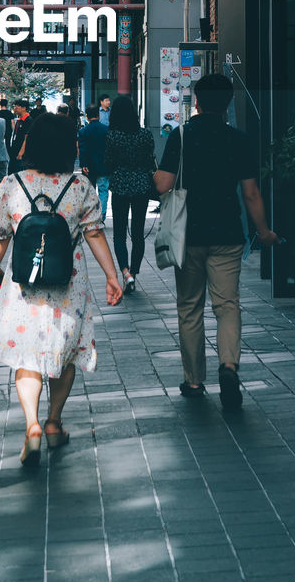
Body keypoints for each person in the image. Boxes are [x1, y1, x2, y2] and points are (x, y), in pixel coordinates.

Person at [0, 114, 124, 466]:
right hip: (67, 286)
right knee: (66, 354)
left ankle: (31, 427)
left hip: (24, 286)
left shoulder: (12, 185)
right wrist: (112, 275)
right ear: (66, 147)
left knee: (26, 357)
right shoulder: (80, 187)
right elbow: (94, 234)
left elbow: (0, 236)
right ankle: (54, 421)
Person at [154, 73, 278, 408]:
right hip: (227, 235)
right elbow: (251, 194)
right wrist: (264, 232)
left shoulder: (180, 136)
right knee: (227, 306)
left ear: (196, 101)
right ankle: (228, 366)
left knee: (190, 307)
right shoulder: (238, 139)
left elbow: (163, 185)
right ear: (227, 104)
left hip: (188, 236)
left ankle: (194, 381)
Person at [104, 94, 156, 294]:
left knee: (119, 233)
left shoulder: (112, 136)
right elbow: (151, 161)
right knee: (138, 232)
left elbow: (108, 163)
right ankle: (134, 271)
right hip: (142, 185)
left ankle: (125, 273)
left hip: (120, 186)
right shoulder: (145, 135)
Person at [77, 104, 109, 220]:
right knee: (103, 191)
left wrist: (83, 164)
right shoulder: (106, 130)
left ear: (87, 116)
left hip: (89, 166)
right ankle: (102, 215)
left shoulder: (83, 131)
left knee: (89, 191)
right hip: (104, 165)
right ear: (98, 115)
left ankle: (90, 216)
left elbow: (82, 149)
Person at [8, 99, 32, 174]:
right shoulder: (19, 120)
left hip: (21, 155)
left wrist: (20, 153)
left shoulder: (28, 120)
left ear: (24, 108)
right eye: (14, 106)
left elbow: (27, 138)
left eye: (17, 107)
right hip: (14, 152)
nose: (15, 108)